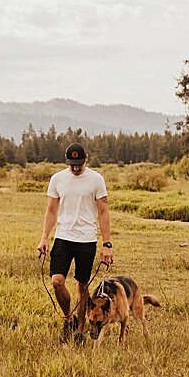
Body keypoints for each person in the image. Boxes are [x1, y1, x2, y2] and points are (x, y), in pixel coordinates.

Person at [37, 143, 114, 342]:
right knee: (57, 281)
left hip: (86, 239)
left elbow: (103, 211)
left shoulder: (96, 179)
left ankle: (80, 331)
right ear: (66, 162)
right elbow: (51, 210)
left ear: (85, 159)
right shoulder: (57, 179)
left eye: (79, 164)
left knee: (82, 286)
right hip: (63, 237)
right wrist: (44, 237)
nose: (76, 168)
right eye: (72, 164)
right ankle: (68, 318)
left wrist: (107, 244)